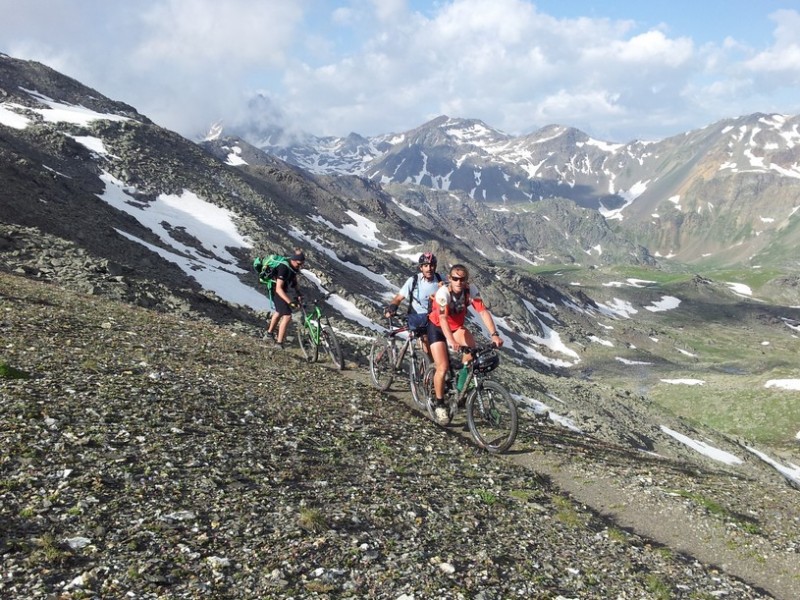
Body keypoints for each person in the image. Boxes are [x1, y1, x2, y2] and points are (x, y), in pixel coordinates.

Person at [427, 263, 504, 424]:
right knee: (442, 367)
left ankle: (460, 390)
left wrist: (494, 334)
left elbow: (483, 311)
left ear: (466, 280)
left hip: (456, 328)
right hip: (437, 328)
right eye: (455, 278)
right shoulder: (443, 294)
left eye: (462, 279)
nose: (459, 282)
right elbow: (442, 319)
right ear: (449, 279)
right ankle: (440, 404)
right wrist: (452, 341)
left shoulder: (470, 291)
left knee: (471, 352)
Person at [384, 252, 443, 353]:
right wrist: (393, 307)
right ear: (421, 268)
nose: (429, 268)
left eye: (431, 265)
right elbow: (398, 298)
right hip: (417, 318)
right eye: (425, 266)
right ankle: (430, 365)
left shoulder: (440, 279)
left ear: (435, 266)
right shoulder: (414, 281)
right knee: (425, 340)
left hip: (435, 318)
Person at [266, 248, 305, 347]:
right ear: (293, 260)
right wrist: (289, 302)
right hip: (276, 291)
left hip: (282, 290)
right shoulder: (284, 267)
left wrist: (298, 293)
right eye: (299, 264)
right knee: (287, 315)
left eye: (302, 263)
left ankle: (269, 334)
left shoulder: (294, 267)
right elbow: (279, 288)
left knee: (279, 311)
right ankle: (279, 343)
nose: (300, 266)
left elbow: (294, 281)